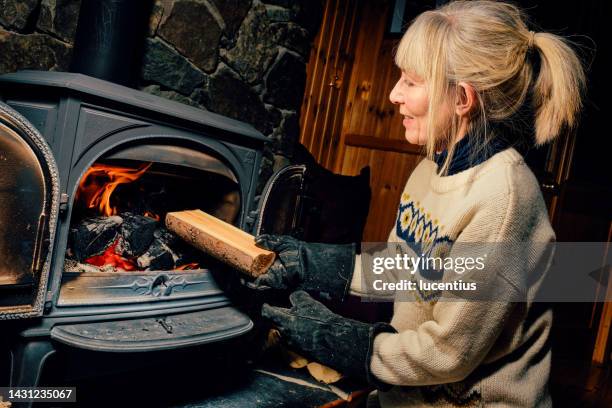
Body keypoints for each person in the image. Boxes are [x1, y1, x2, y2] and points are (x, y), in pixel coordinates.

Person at [249, 1, 585, 406]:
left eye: (410, 81)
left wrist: (333, 338)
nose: (393, 94)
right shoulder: (431, 168)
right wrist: (312, 264)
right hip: (405, 396)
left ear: (461, 98)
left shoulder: (503, 200)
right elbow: (406, 266)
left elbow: (447, 355)